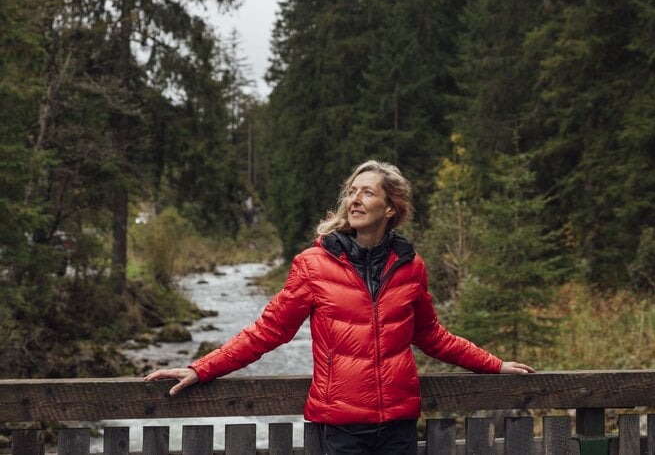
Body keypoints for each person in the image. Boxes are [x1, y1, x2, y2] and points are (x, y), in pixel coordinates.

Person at [145, 160, 535, 454]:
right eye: (351, 191)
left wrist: (494, 364)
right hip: (340, 429)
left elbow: (431, 336)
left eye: (367, 192)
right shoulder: (313, 265)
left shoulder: (410, 266)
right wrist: (201, 367)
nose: (355, 199)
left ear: (391, 207)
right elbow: (268, 331)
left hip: (398, 426)